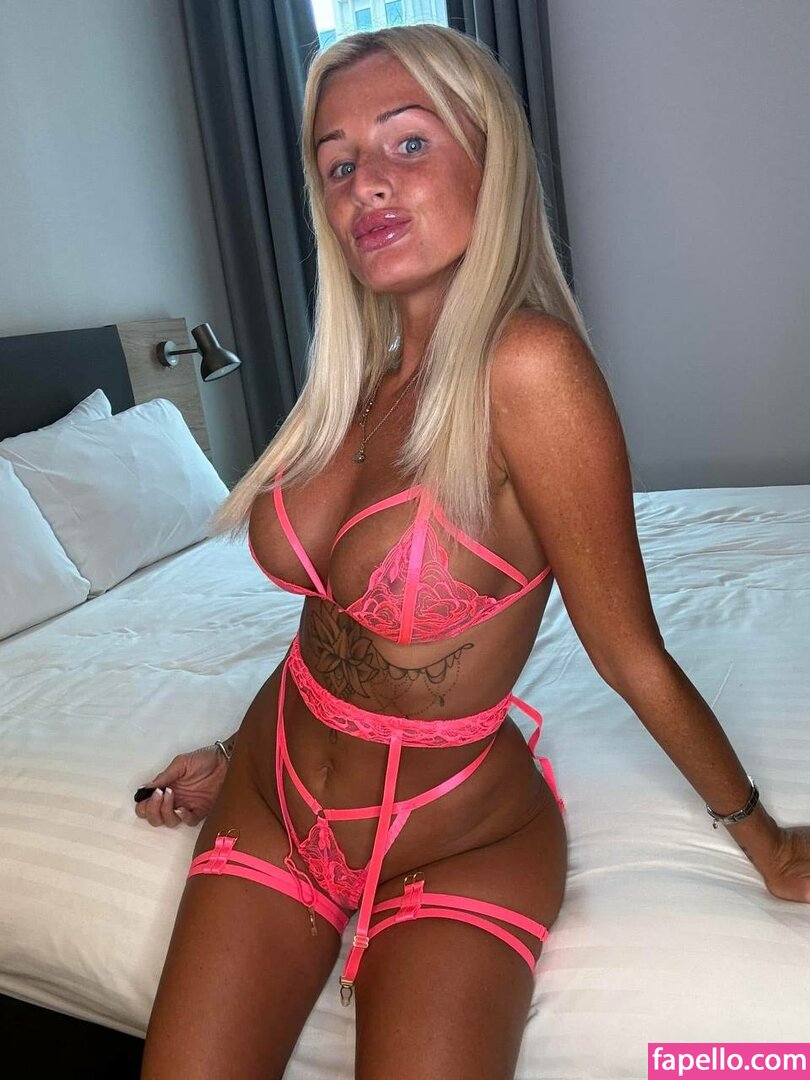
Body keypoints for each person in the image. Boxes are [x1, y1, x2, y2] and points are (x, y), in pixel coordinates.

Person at [137, 23, 810, 1080]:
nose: (367, 183)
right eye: (338, 164)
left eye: (409, 143)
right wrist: (232, 749)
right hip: (269, 794)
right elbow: (329, 625)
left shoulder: (531, 369)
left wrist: (765, 841)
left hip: (452, 842)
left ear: (491, 161)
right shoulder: (356, 381)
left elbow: (628, 652)